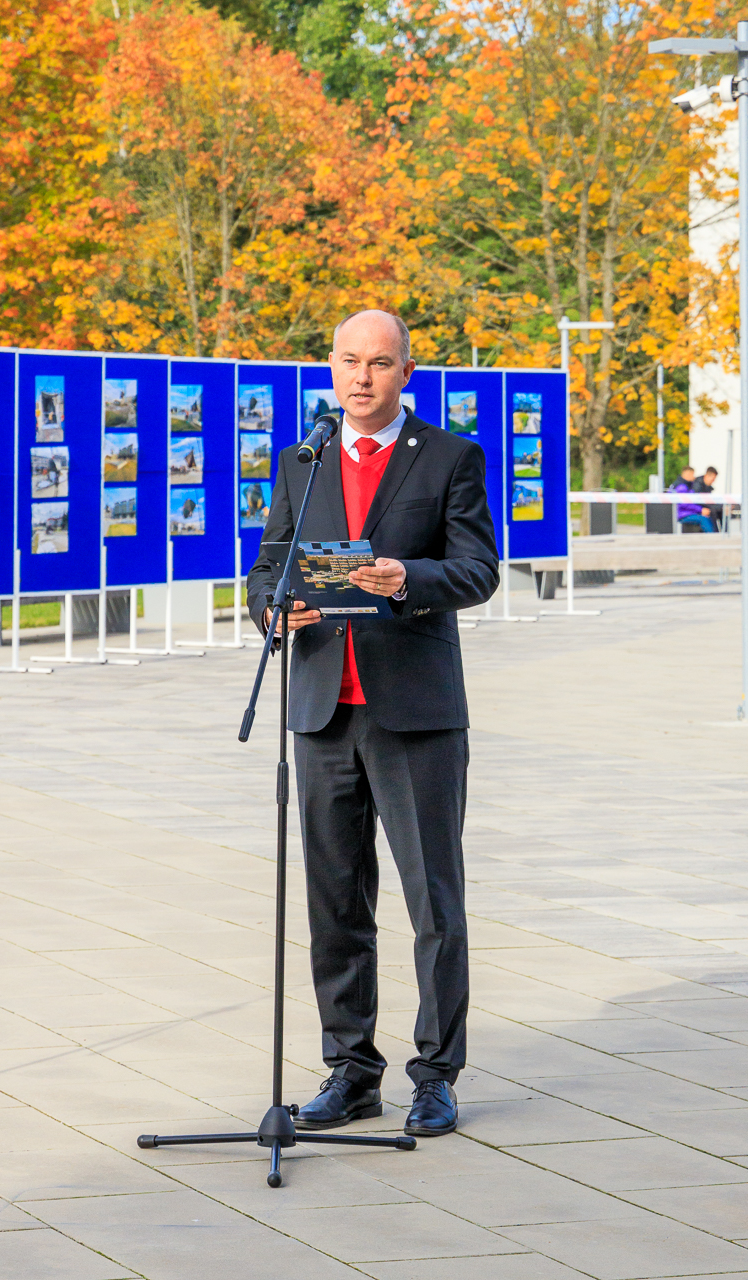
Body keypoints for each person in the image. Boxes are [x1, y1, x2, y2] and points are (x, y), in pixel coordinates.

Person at [246, 310, 499, 1138]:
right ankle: (350, 1072)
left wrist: (407, 578)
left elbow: (478, 570)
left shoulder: (450, 456)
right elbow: (268, 566)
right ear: (330, 367)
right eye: (349, 361)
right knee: (334, 904)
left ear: (405, 372)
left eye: (379, 363)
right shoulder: (303, 459)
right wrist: (271, 612)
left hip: (414, 715)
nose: (361, 377)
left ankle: (436, 1076)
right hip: (322, 709)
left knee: (433, 903)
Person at [670, 465, 715, 532]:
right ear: (687, 474)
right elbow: (685, 504)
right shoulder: (682, 487)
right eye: (692, 474)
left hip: (684, 513)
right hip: (682, 514)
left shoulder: (683, 485)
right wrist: (700, 510)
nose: (694, 477)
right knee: (704, 519)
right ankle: (712, 537)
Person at [693, 466, 721, 531]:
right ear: (707, 476)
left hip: (702, 507)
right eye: (712, 479)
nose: (713, 481)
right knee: (713, 511)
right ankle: (715, 533)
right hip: (698, 509)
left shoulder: (705, 486)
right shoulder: (697, 486)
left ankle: (722, 532)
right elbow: (700, 501)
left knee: (722, 510)